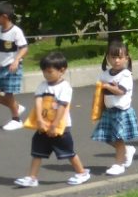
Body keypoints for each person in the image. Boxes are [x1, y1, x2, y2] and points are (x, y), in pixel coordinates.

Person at [13, 51, 92, 187]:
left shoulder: (65, 87)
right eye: (44, 72)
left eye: (50, 72)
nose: (46, 75)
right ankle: (32, 177)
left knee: (68, 152)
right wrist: (39, 120)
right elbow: (38, 101)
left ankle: (82, 172)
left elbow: (62, 107)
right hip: (43, 126)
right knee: (37, 152)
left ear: (62, 70)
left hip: (60, 127)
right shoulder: (43, 85)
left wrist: (55, 125)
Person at [92, 40, 138, 176]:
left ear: (126, 58)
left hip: (121, 112)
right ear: (108, 58)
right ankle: (127, 150)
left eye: (120, 57)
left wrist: (107, 86)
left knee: (118, 139)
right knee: (107, 137)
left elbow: (121, 91)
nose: (117, 60)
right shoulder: (105, 74)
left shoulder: (126, 75)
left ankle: (119, 164)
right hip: (108, 111)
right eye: (113, 57)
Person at [0, 0, 28, 130]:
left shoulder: (16, 31)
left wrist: (16, 60)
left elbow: (24, 48)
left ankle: (16, 119)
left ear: (4, 17)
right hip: (1, 67)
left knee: (9, 94)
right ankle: (16, 107)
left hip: (12, 67)